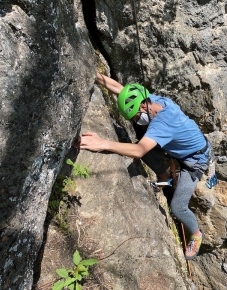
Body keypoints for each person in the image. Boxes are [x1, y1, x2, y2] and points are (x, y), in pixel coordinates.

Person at [76, 72, 212, 260]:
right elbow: (120, 90)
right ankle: (165, 178)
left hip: (195, 161)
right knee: (144, 143)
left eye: (135, 116)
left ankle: (196, 234)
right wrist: (94, 74)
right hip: (180, 149)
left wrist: (103, 143)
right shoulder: (151, 99)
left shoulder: (164, 123)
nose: (134, 121)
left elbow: (139, 150)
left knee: (178, 207)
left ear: (142, 106)